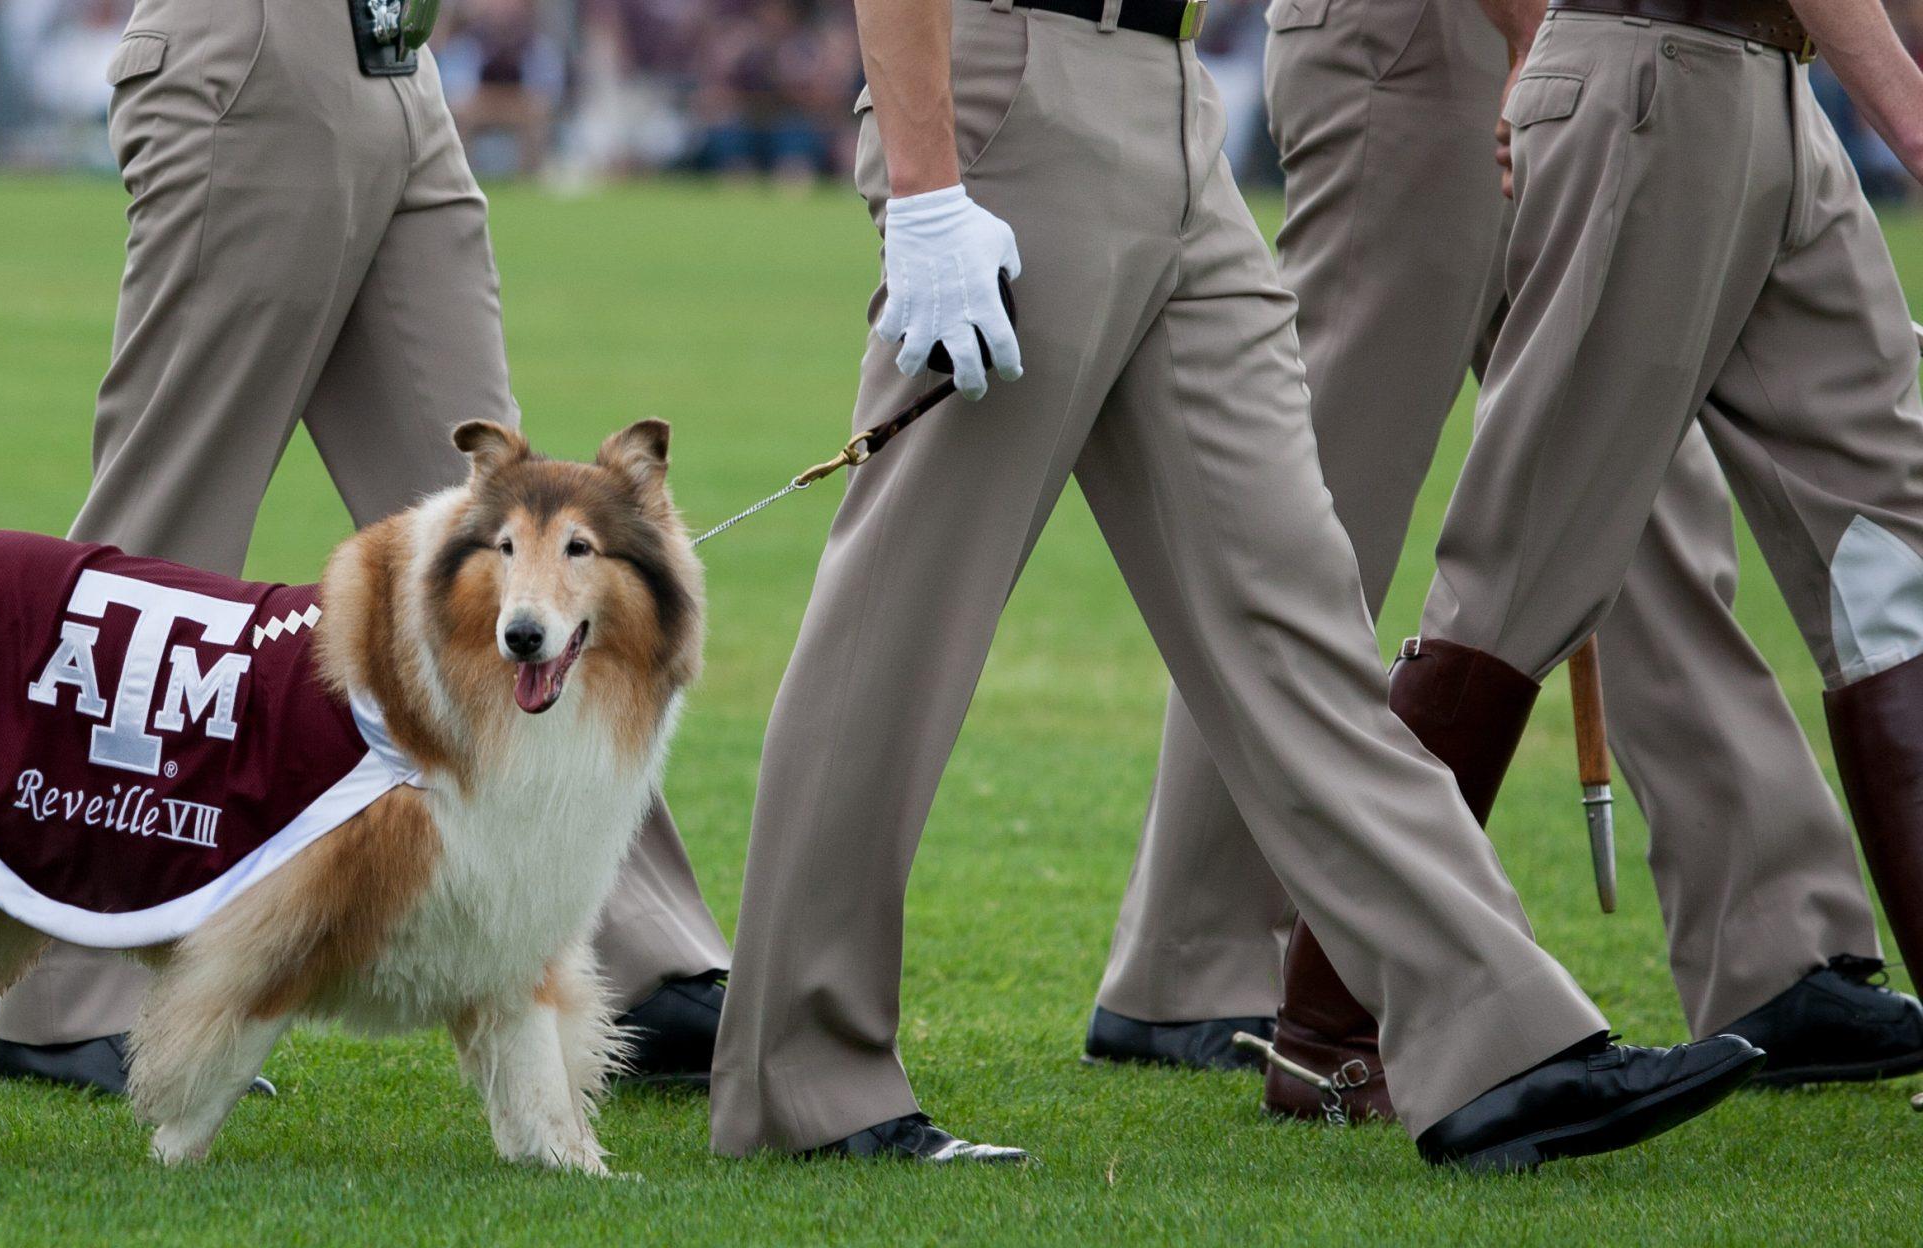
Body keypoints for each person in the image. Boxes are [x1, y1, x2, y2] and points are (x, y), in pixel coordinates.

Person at [708, 0, 1764, 1168]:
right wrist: (925, 190)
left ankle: (1498, 1041)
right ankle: (798, 1081)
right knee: (904, 617)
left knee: (1296, 614)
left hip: (1173, 98)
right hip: (1009, 90)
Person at [1085, 0, 1923, 1115]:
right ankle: (1209, 961)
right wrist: (1534, 34)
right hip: (1438, 40)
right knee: (1317, 505)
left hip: (1709, 54)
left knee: (1635, 508)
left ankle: (1771, 944)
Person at [0, 0, 732, 1094]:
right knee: (163, 537)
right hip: (254, 53)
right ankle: (67, 984)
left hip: (398, 61)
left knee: (504, 550)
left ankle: (628, 953)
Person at [1326, 0, 1923, 1052]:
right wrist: (1910, 113)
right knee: (1520, 572)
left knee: (1895, 546)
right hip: (1648, 72)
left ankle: (1780, 970)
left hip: (1774, 80)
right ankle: (1326, 1024)